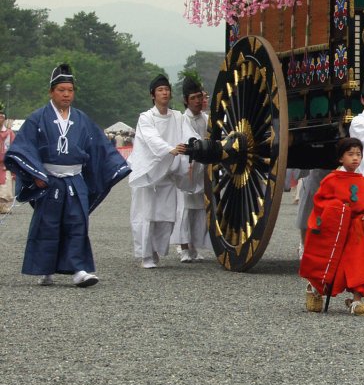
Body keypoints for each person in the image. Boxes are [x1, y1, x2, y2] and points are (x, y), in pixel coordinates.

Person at [3, 64, 130, 286]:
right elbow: (23, 148)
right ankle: (46, 269)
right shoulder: (37, 118)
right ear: (51, 91)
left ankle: (79, 270)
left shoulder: (82, 119)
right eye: (61, 90)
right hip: (49, 180)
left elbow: (99, 148)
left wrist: (115, 167)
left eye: (70, 90)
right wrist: (35, 174)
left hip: (75, 179)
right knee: (48, 225)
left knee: (77, 223)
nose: (66, 94)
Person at [299, 138, 364, 316]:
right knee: (328, 263)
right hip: (335, 232)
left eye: (358, 154)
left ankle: (357, 300)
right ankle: (315, 289)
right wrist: (340, 211)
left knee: (360, 262)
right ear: (340, 158)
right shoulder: (331, 180)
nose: (355, 158)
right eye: (350, 154)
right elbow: (321, 204)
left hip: (357, 234)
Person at [128, 74, 186, 269]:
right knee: (147, 215)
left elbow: (188, 133)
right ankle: (146, 255)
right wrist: (169, 149)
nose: (165, 93)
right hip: (149, 174)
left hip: (168, 172)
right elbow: (151, 139)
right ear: (153, 95)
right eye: (160, 90)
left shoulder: (177, 116)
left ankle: (156, 250)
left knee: (166, 216)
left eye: (167, 89)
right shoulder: (146, 117)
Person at [171, 76, 210, 263]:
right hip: (188, 166)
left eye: (200, 97)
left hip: (203, 167)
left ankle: (195, 246)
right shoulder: (181, 119)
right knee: (185, 208)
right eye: (194, 97)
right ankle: (184, 247)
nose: (198, 101)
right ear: (186, 100)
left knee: (200, 208)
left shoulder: (207, 119)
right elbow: (188, 137)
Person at [0, 105, 15, 214]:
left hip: (5, 164)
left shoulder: (10, 133)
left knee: (6, 185)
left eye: (2, 117)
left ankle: (3, 206)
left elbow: (14, 147)